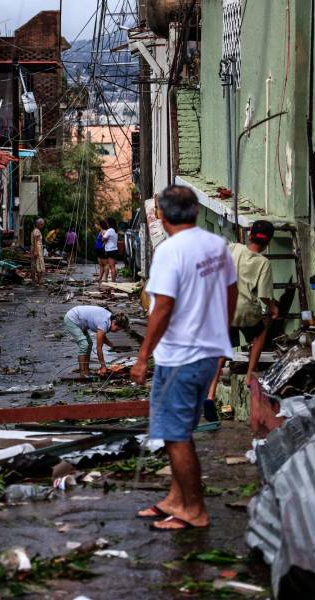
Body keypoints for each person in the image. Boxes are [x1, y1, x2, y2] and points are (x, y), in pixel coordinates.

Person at [130, 185, 237, 531]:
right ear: (195, 211)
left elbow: (162, 308)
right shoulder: (216, 245)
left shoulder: (169, 251)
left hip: (180, 357)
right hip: (207, 354)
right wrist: (221, 329)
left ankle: (194, 509)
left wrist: (143, 357)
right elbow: (231, 291)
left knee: (174, 435)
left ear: (162, 215)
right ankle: (177, 499)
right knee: (183, 431)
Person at [205, 220, 279, 419]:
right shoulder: (263, 263)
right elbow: (264, 295)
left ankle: (210, 394)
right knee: (260, 333)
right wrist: (273, 308)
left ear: (249, 236)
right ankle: (249, 375)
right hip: (246, 311)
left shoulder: (233, 248)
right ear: (268, 243)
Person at [64, 306, 130, 377]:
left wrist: (112, 346)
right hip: (72, 319)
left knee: (89, 344)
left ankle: (86, 370)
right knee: (84, 345)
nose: (117, 331)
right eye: (117, 329)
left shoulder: (109, 320)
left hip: (80, 321)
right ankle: (82, 373)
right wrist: (103, 366)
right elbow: (99, 349)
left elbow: (102, 337)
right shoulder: (104, 322)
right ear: (114, 322)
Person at [103, 217, 119, 282]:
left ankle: (113, 281)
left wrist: (104, 239)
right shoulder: (115, 230)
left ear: (109, 223)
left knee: (112, 267)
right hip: (114, 249)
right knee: (112, 266)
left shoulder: (110, 230)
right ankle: (111, 280)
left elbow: (103, 238)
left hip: (110, 250)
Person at [31, 218, 46, 285]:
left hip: (35, 249)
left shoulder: (34, 230)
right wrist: (36, 251)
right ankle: (39, 280)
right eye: (42, 224)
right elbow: (36, 241)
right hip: (37, 249)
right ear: (39, 224)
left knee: (34, 265)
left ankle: (34, 280)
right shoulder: (37, 231)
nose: (42, 226)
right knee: (39, 265)